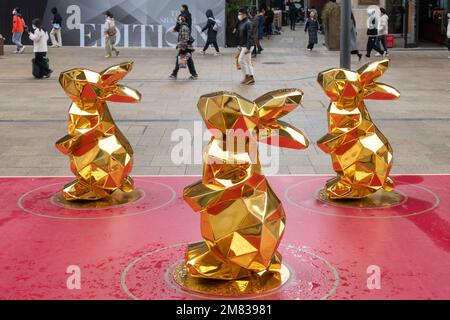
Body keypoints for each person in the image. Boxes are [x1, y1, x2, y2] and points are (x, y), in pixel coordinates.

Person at [170, 15, 198, 80]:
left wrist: (181, 47)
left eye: (178, 20)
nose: (177, 21)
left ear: (181, 20)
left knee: (183, 59)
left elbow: (185, 38)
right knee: (186, 60)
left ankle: (175, 73)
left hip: (185, 47)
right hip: (185, 46)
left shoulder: (184, 27)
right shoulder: (182, 26)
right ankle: (174, 73)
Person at [237, 8, 255, 85]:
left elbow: (250, 36)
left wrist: (247, 47)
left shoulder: (248, 23)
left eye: (240, 14)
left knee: (240, 60)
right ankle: (251, 77)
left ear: (244, 14)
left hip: (248, 45)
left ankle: (247, 76)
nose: (239, 15)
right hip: (244, 45)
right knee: (248, 62)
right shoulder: (242, 22)